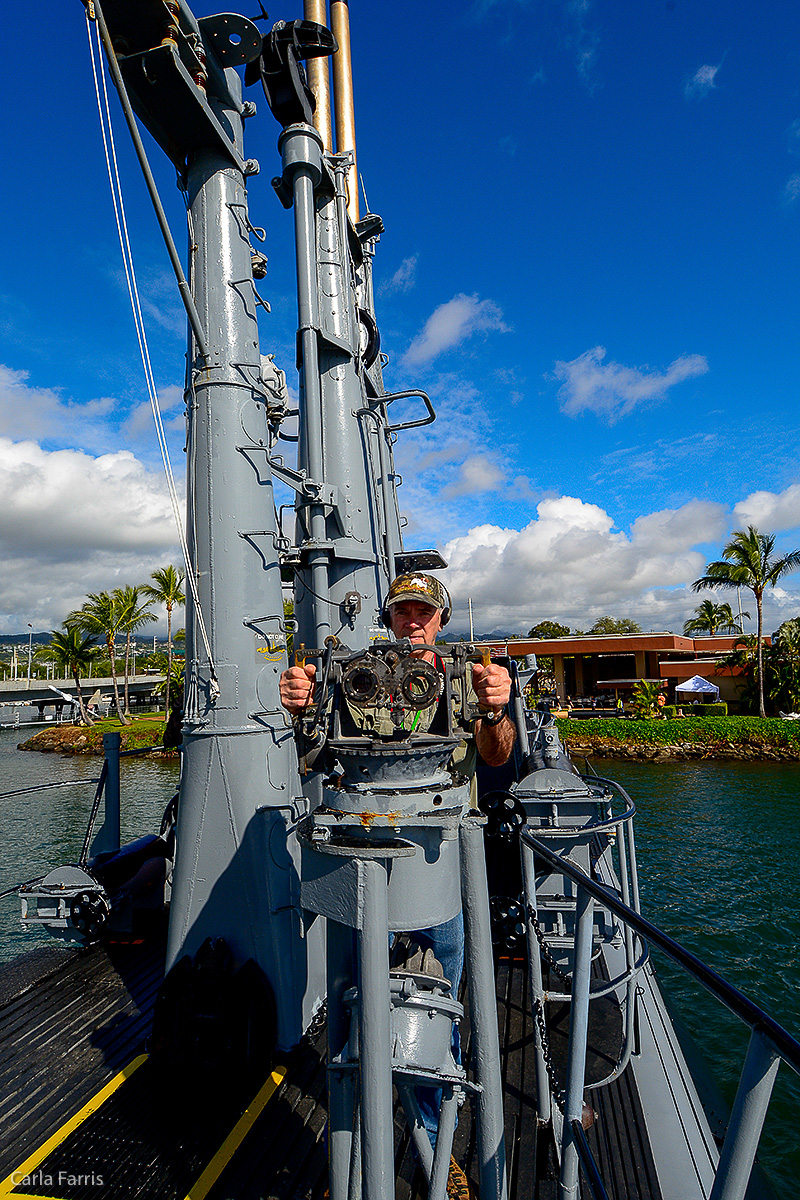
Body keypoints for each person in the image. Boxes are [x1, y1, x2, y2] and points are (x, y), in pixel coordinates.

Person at [280, 572, 515, 1191]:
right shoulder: (352, 673)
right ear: (388, 618)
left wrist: (495, 708)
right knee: (356, 1006)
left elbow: (496, 754)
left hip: (437, 861)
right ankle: (358, 1148)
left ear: (439, 619)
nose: (414, 622)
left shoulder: (466, 674)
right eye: (403, 612)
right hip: (364, 859)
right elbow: (312, 756)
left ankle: (436, 1143)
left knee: (443, 1005)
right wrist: (303, 708)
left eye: (424, 613)